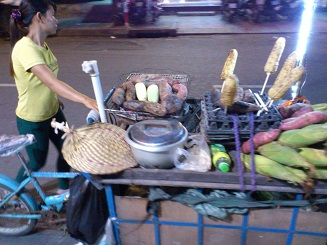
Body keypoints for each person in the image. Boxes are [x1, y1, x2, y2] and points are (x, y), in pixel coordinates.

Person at [9, 0, 98, 194]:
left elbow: (41, 84)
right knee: (36, 162)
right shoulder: (25, 49)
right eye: (52, 15)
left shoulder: (42, 45)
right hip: (33, 120)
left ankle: (63, 192)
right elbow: (51, 82)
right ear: (39, 17)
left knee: (68, 149)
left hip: (53, 112)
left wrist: (53, 100)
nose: (56, 20)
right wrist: (86, 100)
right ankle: (12, 194)